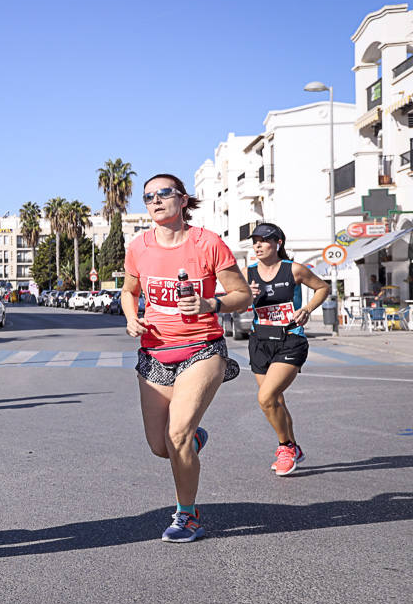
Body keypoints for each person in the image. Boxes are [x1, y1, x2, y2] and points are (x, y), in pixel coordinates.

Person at [121, 173, 251, 543]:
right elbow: (129, 291)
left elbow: (242, 294)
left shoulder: (207, 243)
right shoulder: (139, 247)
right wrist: (132, 317)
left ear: (182, 200)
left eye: (164, 193)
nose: (156, 201)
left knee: (177, 433)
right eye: (148, 197)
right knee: (161, 446)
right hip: (154, 352)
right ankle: (191, 443)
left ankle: (187, 515)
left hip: (202, 348)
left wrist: (211, 303)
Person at [246, 222, 330, 476]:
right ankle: (294, 447)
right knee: (276, 399)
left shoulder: (293, 269)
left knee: (266, 398)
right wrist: (245, 296)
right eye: (255, 241)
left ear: (278, 243)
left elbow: (323, 287)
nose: (257, 245)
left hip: (290, 339)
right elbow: (235, 304)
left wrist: (306, 309)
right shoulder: (247, 272)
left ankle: (285, 447)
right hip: (260, 341)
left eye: (263, 240)